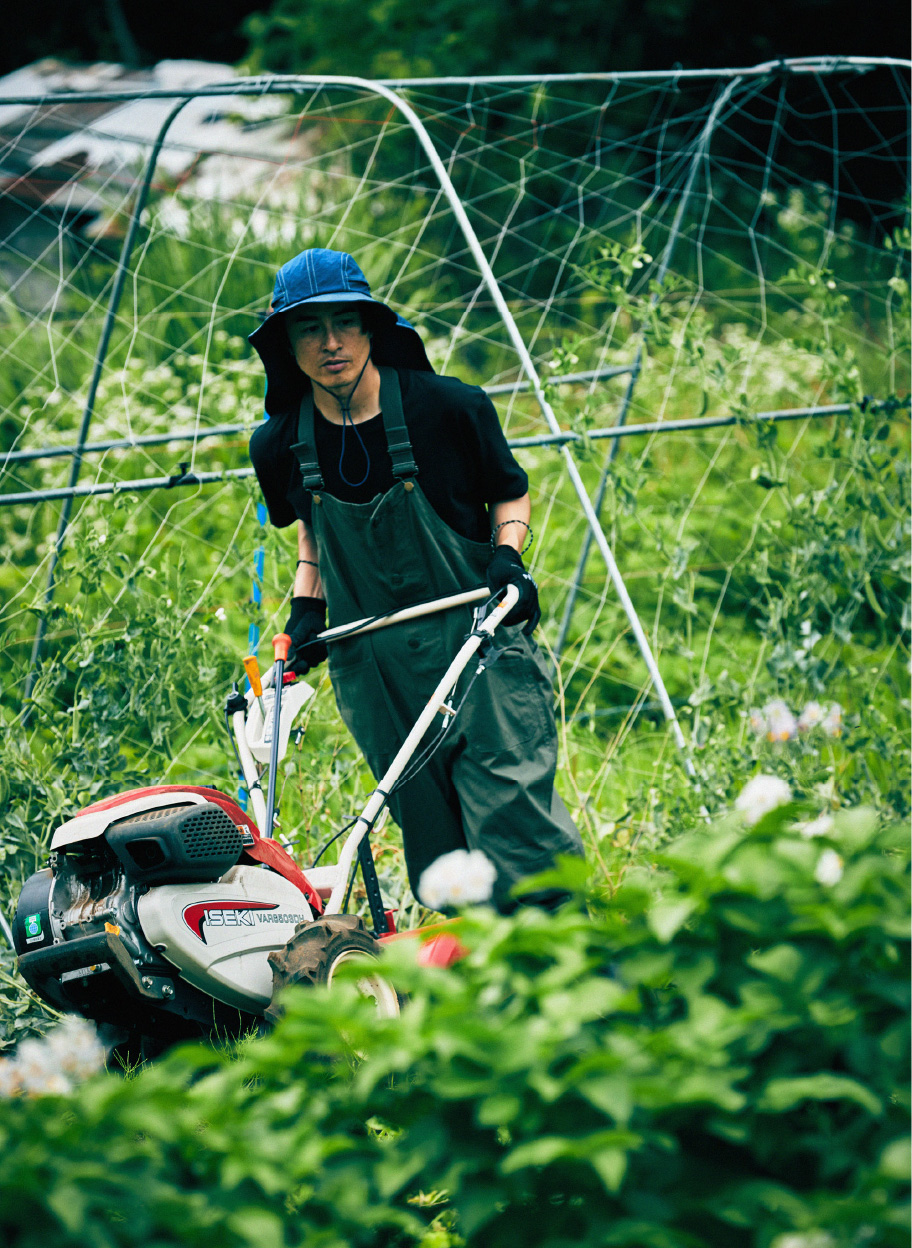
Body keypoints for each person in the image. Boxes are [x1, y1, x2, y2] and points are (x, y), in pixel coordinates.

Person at [248, 248, 583, 913]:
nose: (331, 343)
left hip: (477, 640)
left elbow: (509, 494)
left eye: (346, 323)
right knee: (434, 843)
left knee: (515, 823)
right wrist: (304, 613)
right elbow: (313, 533)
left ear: (373, 329)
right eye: (310, 329)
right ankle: (475, 989)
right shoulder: (278, 442)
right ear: (287, 344)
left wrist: (508, 561)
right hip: (377, 668)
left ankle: (570, 977)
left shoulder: (450, 408)